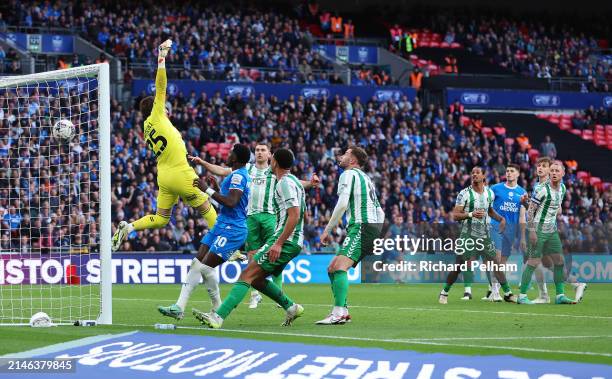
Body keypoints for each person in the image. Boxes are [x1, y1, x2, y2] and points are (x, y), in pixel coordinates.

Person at [111, 39, 217, 252]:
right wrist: (161, 58)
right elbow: (161, 86)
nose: (167, 109)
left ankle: (129, 226)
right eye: (164, 107)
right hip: (180, 173)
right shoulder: (156, 115)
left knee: (161, 219)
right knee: (207, 208)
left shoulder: (146, 127)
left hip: (165, 176)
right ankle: (229, 249)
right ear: (157, 107)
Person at [193, 142, 319, 309]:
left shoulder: (275, 172)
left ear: (269, 155)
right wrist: (203, 163)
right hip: (250, 216)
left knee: (274, 254)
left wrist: (310, 183)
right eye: (257, 150)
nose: (259, 152)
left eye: (263, 150)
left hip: (270, 216)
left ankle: (278, 293)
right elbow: (222, 170)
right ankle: (255, 294)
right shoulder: (248, 170)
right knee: (253, 255)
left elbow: (295, 182)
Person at [157, 144, 252, 319]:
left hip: (233, 229)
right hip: (222, 224)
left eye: (231, 153)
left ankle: (216, 309)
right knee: (197, 263)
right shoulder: (235, 175)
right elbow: (228, 204)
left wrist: (206, 189)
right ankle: (179, 307)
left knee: (205, 267)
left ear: (236, 158)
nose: (228, 155)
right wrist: (215, 188)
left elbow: (231, 202)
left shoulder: (239, 176)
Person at [317, 146, 385, 324]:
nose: (341, 156)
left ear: (353, 160)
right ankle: (343, 310)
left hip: (361, 226)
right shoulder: (367, 179)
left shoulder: (348, 174)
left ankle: (338, 312)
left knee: (340, 267)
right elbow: (381, 211)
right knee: (332, 268)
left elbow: (341, 205)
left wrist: (327, 230)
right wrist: (377, 233)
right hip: (368, 227)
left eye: (346, 154)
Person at [439, 167, 517, 304]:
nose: (474, 174)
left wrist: (501, 219)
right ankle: (444, 292)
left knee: (496, 264)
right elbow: (455, 215)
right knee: (458, 266)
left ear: (483, 176)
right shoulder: (464, 194)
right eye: (472, 172)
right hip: (467, 235)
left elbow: (490, 210)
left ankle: (508, 293)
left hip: (484, 235)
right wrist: (470, 214)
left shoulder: (489, 193)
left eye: (477, 173)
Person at [518, 161, 576, 305]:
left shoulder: (562, 188)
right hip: (538, 228)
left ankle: (560, 295)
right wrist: (531, 231)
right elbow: (530, 211)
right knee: (533, 262)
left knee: (559, 261)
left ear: (563, 173)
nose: (554, 173)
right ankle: (522, 296)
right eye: (552, 171)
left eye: (557, 171)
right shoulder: (542, 189)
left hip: (551, 230)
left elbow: (558, 208)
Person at [484, 163, 527, 301]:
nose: (508, 173)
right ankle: (496, 292)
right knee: (495, 259)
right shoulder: (495, 188)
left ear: (518, 174)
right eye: (507, 171)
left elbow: (522, 216)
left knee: (502, 263)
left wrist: (522, 236)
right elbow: (487, 207)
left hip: (511, 231)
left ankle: (494, 291)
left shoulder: (522, 192)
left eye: (512, 171)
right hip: (495, 227)